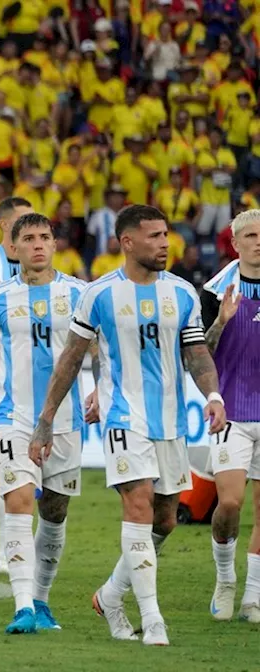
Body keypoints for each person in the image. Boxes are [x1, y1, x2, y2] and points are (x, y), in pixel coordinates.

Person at [30, 204, 226, 646]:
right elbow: (70, 360)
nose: (165, 243)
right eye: (155, 236)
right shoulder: (98, 294)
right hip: (122, 416)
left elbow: (195, 354)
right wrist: (46, 420)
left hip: (170, 421)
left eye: (166, 234)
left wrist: (212, 395)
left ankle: (111, 595)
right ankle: (153, 620)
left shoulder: (183, 293)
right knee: (137, 506)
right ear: (127, 242)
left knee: (166, 519)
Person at [0, 213, 88, 634]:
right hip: (14, 419)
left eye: (46, 236)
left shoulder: (79, 294)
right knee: (18, 499)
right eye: (29, 238)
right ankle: (23, 605)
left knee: (55, 511)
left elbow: (101, 351)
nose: (38, 244)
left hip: (66, 420)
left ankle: (41, 599)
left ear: (55, 244)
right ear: (14, 248)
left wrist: (103, 392)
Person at [200, 209, 260, 623]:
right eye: (251, 235)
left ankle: (253, 596)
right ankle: (225, 577)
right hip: (232, 413)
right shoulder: (214, 290)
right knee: (231, 503)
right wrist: (220, 322)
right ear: (235, 243)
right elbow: (199, 352)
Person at [0, 197, 35, 575]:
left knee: (6, 471)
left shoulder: (39, 260)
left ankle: (5, 552)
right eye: (21, 223)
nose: (29, 231)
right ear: (3, 226)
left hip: (27, 382)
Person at [0, 197, 32, 280]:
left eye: (33, 219)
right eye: (23, 219)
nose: (31, 224)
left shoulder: (40, 257)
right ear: (5, 224)